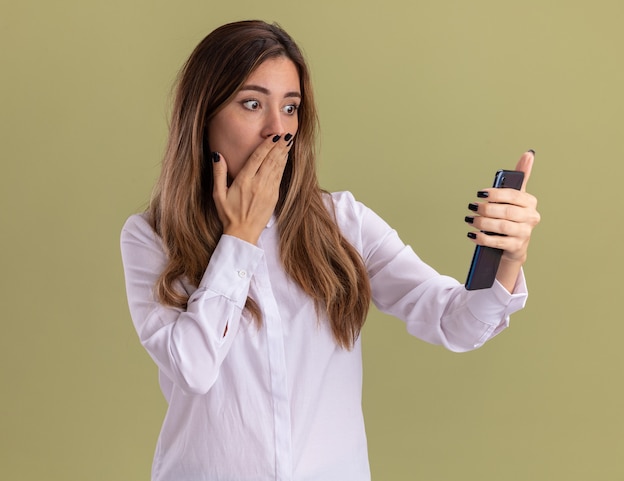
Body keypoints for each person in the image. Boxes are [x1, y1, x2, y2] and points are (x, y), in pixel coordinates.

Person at [120, 20, 540, 481]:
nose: (276, 130)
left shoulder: (343, 223)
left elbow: (455, 323)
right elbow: (194, 368)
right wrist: (240, 237)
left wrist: (507, 257)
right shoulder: (150, 238)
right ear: (203, 116)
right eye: (252, 104)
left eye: (291, 107)